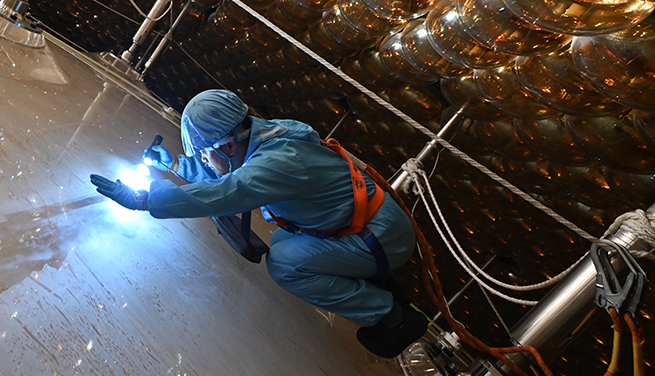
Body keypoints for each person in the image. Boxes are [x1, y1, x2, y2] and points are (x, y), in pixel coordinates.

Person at [90, 89, 427, 358]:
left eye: (205, 154)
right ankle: (374, 283)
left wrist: (146, 199)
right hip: (362, 224)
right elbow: (230, 172)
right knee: (281, 243)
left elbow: (230, 190)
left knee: (286, 265)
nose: (203, 160)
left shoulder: (279, 162)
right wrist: (178, 164)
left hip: (379, 236)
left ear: (229, 144)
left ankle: (391, 317)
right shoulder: (262, 136)